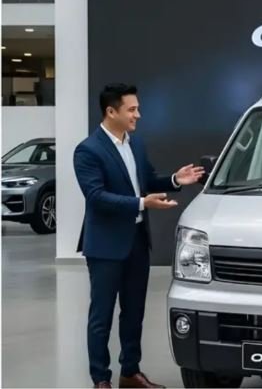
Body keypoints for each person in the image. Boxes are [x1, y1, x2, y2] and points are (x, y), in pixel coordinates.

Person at [74, 83, 204, 388]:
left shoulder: (135, 144)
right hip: (105, 246)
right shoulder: (88, 150)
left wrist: (175, 180)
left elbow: (146, 181)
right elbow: (96, 197)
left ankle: (130, 373)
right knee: (101, 317)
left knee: (134, 313)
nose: (138, 115)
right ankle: (100, 379)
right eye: (132, 109)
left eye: (137, 108)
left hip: (136, 240)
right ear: (111, 111)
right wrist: (142, 203)